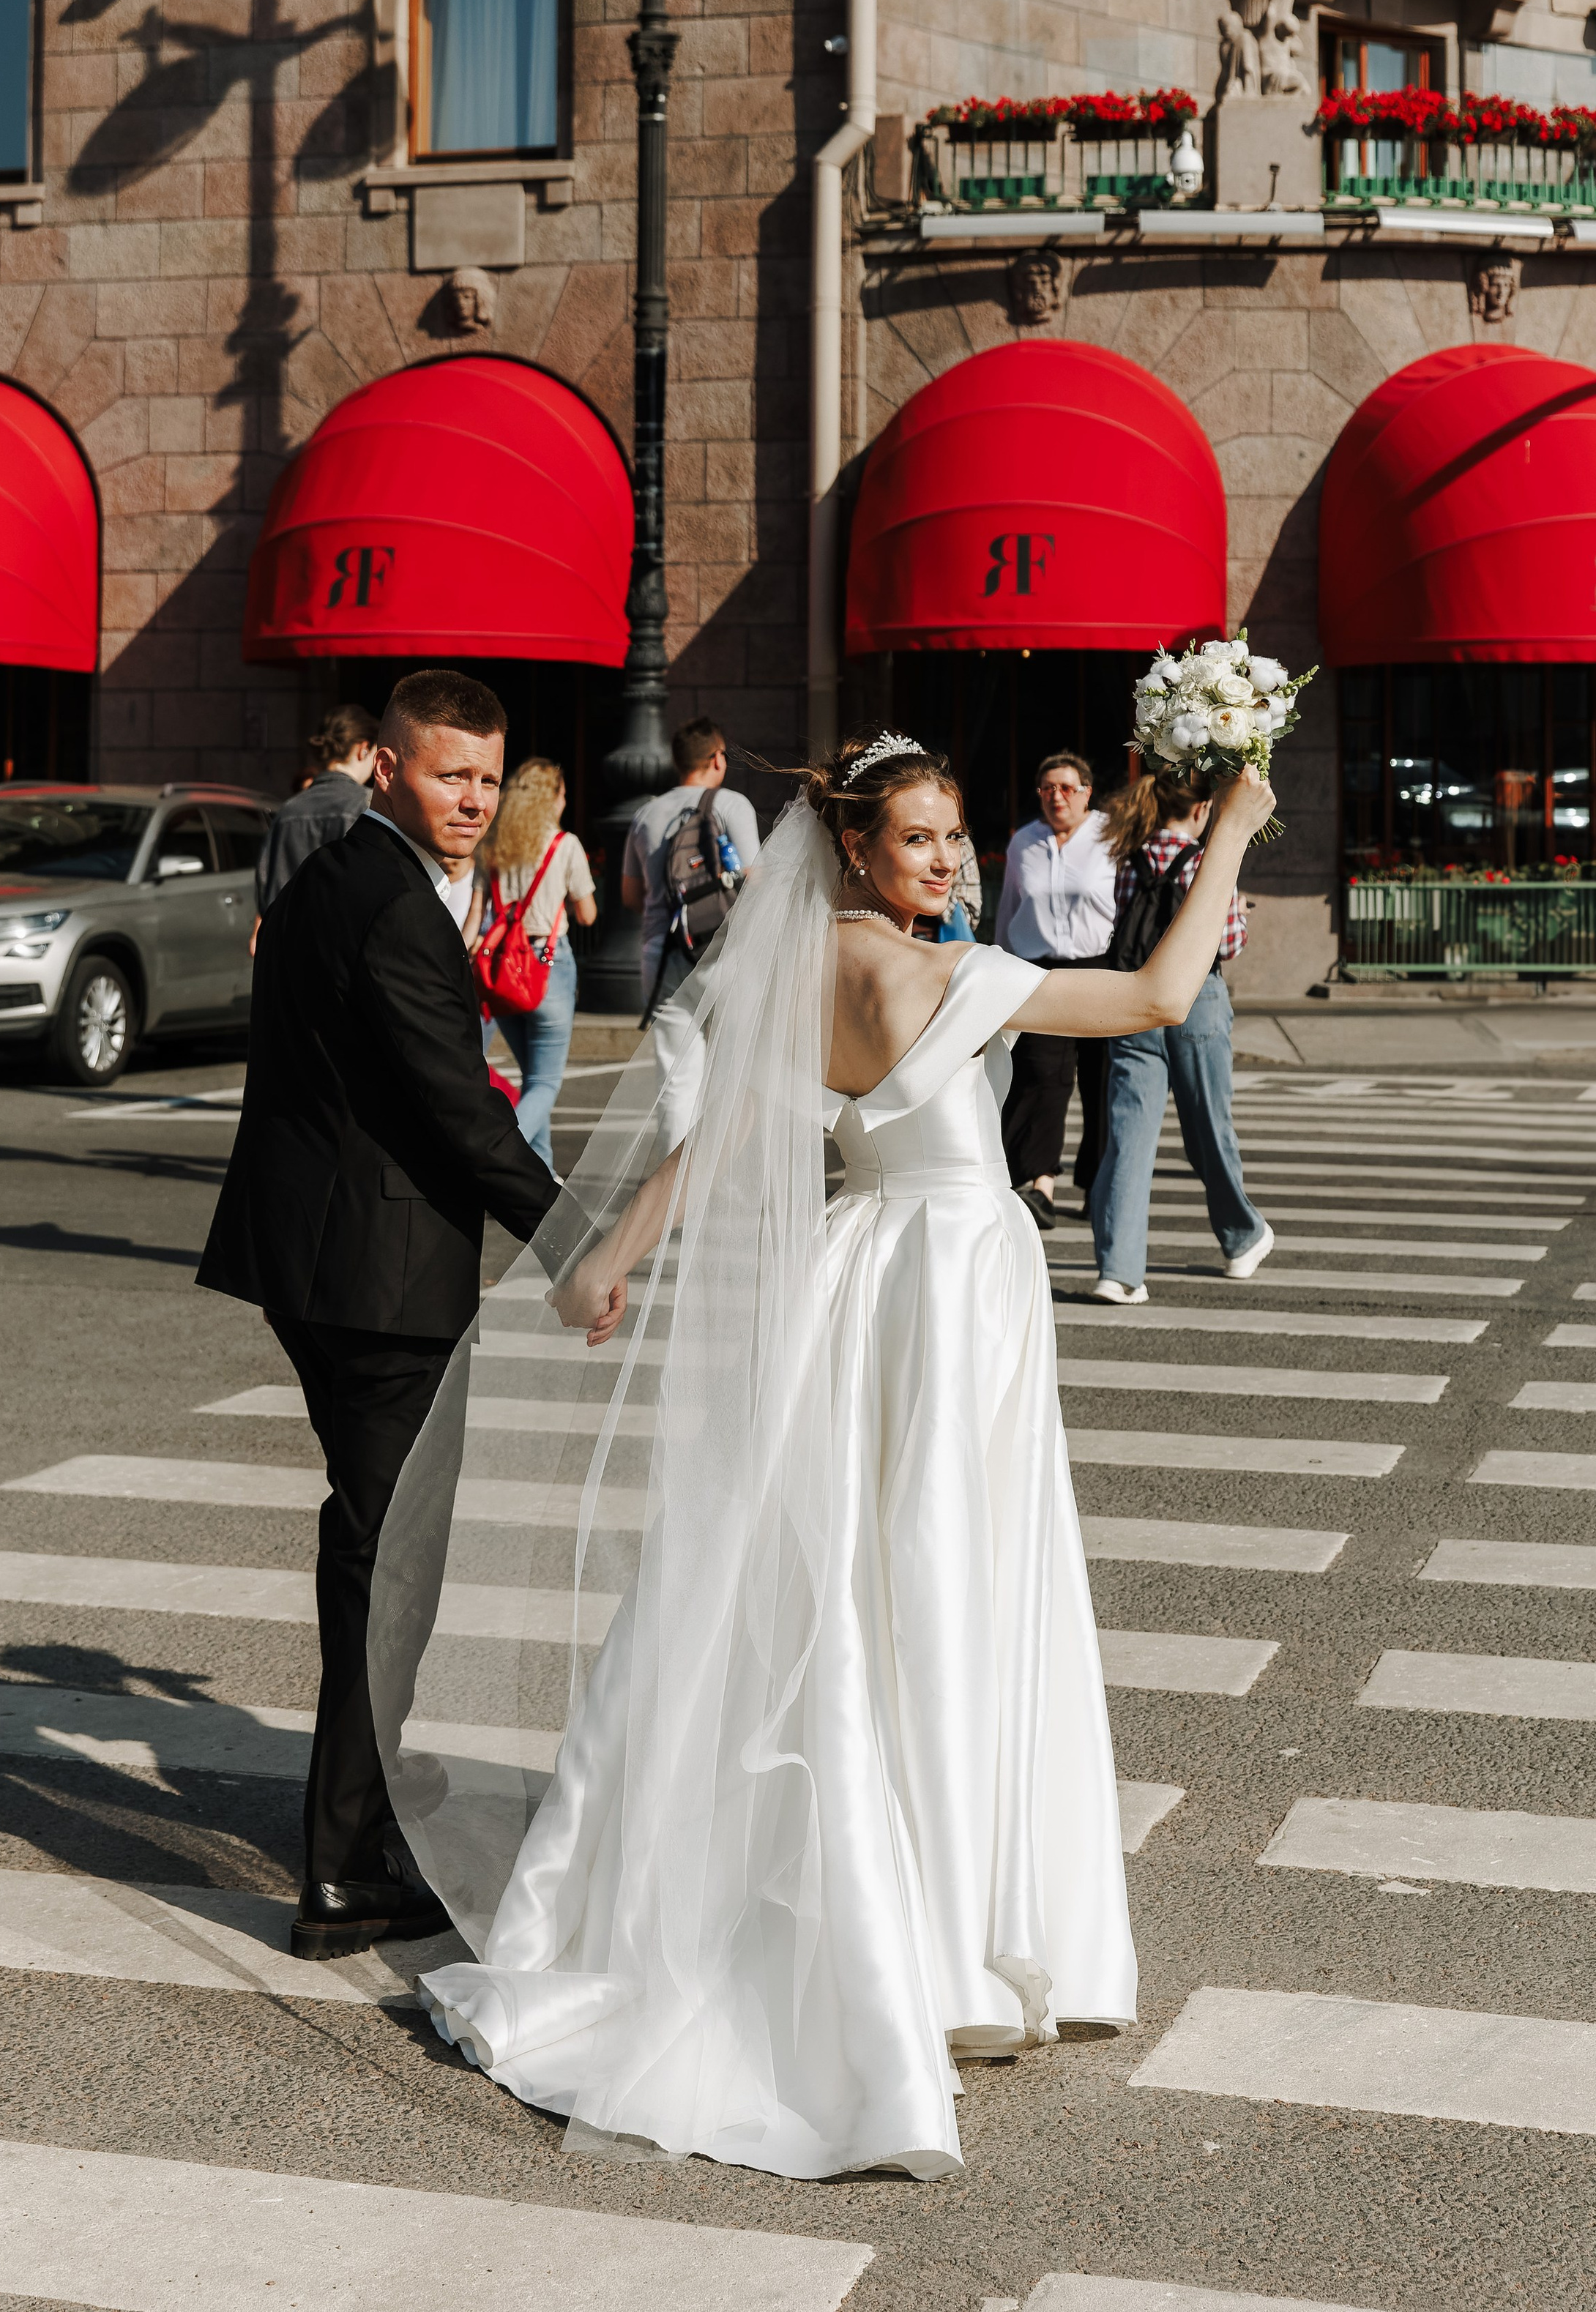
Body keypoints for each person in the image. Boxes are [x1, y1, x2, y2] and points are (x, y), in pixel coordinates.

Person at [370, 731, 1275, 2179]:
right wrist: (1231, 823)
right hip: (955, 1298)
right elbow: (1162, 992)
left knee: (856, 1581)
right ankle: (955, 1942)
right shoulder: (947, 979)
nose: (944, 859)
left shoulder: (799, 974)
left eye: (951, 839)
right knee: (943, 1580)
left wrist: (607, 1257)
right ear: (852, 847)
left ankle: (889, 1911)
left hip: (854, 1291)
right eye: (916, 837)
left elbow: (717, 1142)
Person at [198, 669, 565, 1963]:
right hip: (379, 1279)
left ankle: (363, 1831)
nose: (471, 799)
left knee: (372, 1550)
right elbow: (456, 1115)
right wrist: (577, 1241)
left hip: (312, 1259)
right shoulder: (393, 905)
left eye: (486, 777)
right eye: (447, 774)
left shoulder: (331, 877)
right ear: (390, 767)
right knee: (386, 1562)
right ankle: (345, 1871)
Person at [1086, 772, 1272, 1306]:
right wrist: (1237, 913)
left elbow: (1121, 928)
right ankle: (1241, 1239)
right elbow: (1228, 943)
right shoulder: (1202, 860)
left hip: (1135, 1000)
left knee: (1129, 1136)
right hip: (1197, 1003)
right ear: (1201, 810)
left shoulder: (1130, 861)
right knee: (1209, 1128)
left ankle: (1119, 1272)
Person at [994, 751, 1118, 1220]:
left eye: (1067, 787)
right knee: (1041, 1077)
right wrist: (1000, 968)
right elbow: (1009, 909)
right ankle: (1040, 1183)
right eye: (1047, 788)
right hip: (1039, 972)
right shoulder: (1023, 841)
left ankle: (1099, 1185)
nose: (1056, 797)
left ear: (1087, 792)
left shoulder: (1111, 835)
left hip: (1101, 968)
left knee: (1101, 1079)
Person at [470, 758, 597, 1171]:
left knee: (532, 1079)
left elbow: (475, 920)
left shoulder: (492, 844)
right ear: (553, 798)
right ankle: (494, 1159)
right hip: (549, 965)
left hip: (502, 972)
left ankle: (541, 1172)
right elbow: (588, 915)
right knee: (544, 1083)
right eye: (562, 793)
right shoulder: (565, 845)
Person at [621, 716, 761, 1016]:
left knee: (674, 1062)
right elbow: (753, 878)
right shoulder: (732, 804)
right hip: (722, 947)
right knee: (729, 1059)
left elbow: (631, 896)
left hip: (662, 951)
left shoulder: (645, 814)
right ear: (717, 759)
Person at [250, 704, 379, 955]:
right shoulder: (366, 805)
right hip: (345, 956)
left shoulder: (288, 810)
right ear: (364, 749)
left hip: (289, 953)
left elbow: (267, 890)